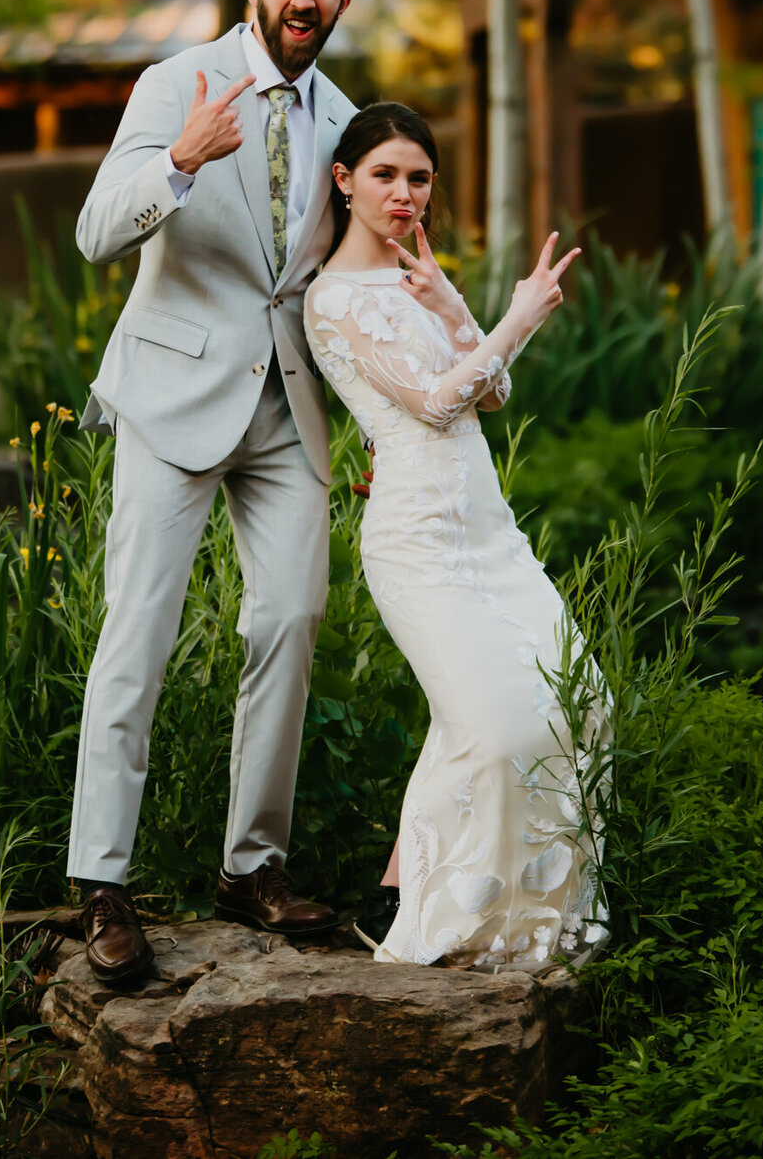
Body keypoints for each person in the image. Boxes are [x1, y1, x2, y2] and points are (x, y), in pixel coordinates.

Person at [68, 0, 356, 984]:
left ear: (342, 3)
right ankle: (102, 880)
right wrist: (180, 161)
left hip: (289, 405)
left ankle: (252, 866)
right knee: (138, 631)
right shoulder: (173, 82)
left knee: (291, 618)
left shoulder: (346, 118)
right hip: (173, 392)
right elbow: (96, 232)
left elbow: (336, 275)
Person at [304, 103, 608, 971]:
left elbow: (493, 395)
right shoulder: (331, 299)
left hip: (488, 529)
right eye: (386, 175)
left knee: (581, 700)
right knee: (492, 725)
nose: (405, 193)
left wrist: (453, 304)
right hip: (419, 537)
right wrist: (519, 317)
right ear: (345, 181)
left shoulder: (419, 277)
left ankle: (430, 897)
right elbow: (437, 403)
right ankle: (445, 911)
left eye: (420, 177)